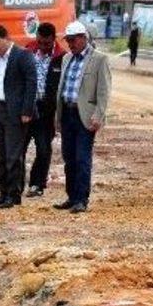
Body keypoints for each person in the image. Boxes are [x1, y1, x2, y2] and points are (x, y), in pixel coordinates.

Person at [55, 20, 111, 214]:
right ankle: (71, 197)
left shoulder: (99, 59)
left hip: (85, 117)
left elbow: (104, 92)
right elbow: (62, 88)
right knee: (69, 158)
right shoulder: (66, 59)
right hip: (68, 114)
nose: (69, 44)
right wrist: (58, 117)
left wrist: (99, 115)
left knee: (82, 158)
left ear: (83, 38)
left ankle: (81, 199)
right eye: (67, 40)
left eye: (72, 40)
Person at [0, 24, 37, 209]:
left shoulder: (22, 56)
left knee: (13, 155)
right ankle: (3, 193)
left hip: (16, 113)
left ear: (7, 38)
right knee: (0, 155)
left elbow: (31, 83)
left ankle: (13, 194)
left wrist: (27, 111)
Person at [23, 22, 66, 198]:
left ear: (53, 40)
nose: (42, 46)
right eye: (39, 42)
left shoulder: (62, 57)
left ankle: (37, 184)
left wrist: (58, 115)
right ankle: (15, 184)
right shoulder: (27, 52)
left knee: (43, 149)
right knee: (18, 149)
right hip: (26, 108)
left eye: (46, 43)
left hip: (46, 112)